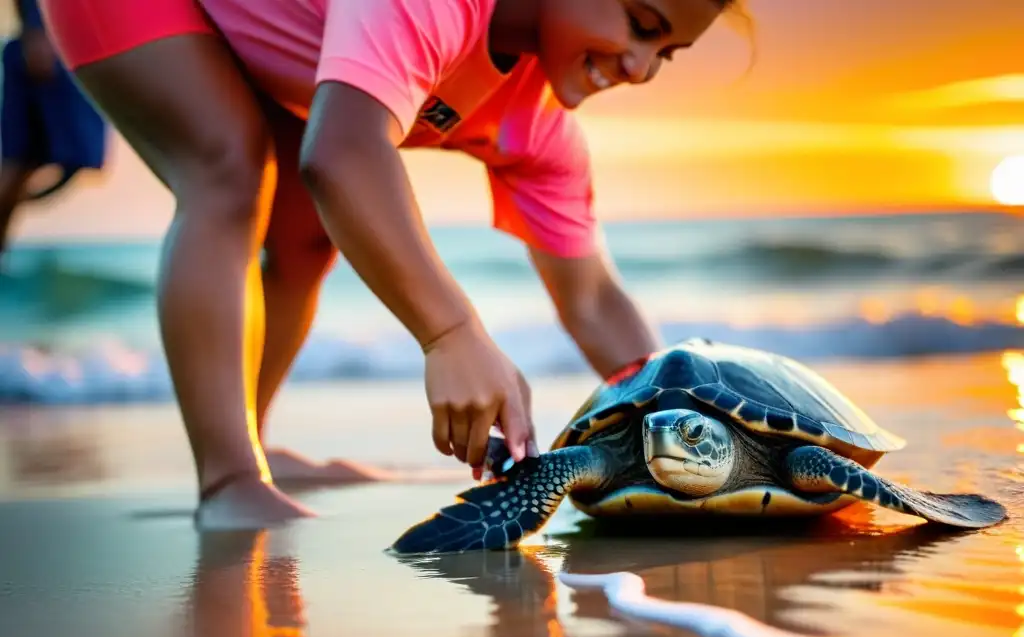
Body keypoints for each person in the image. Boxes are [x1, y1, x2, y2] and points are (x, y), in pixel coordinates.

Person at [39, 0, 741, 530]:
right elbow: (343, 152)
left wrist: (700, 427)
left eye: (667, 52)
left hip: (253, 39)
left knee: (309, 231)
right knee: (228, 166)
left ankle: (250, 442)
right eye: (642, 22)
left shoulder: (539, 127)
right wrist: (450, 334)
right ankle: (228, 478)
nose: (641, 67)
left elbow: (590, 298)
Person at [0, 0, 106, 262]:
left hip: (59, 41)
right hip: (53, 44)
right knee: (21, 162)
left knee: (40, 163)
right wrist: (37, 29)